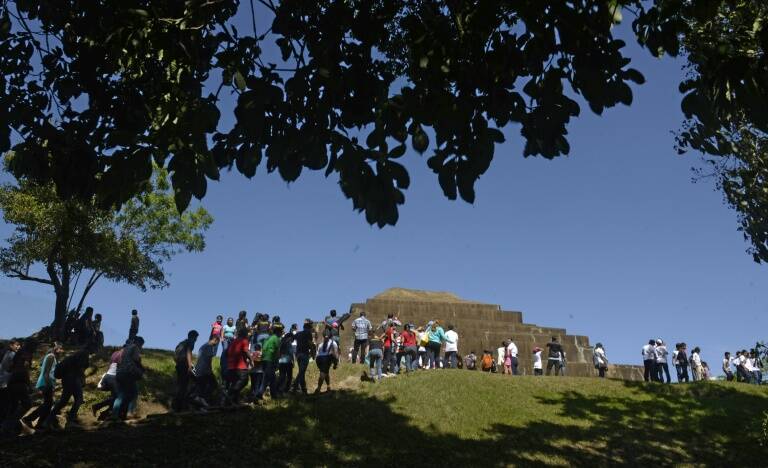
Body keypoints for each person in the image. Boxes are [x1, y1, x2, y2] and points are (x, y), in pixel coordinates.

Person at [44, 342, 96, 428]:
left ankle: (48, 421)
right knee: (79, 399)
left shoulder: (77, 354)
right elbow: (80, 368)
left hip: (67, 379)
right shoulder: (84, 354)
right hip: (73, 379)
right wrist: (82, 380)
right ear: (92, 348)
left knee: (64, 401)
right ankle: (70, 421)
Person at [1, 340, 37, 435]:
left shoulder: (18, 353)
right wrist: (29, 384)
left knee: (13, 406)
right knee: (27, 404)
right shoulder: (26, 354)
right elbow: (25, 369)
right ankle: (7, 426)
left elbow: (10, 368)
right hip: (19, 382)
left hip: (11, 382)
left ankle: (6, 428)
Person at [24, 342, 63, 428]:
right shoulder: (51, 356)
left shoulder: (52, 357)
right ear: (56, 349)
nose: (61, 351)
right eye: (60, 349)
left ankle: (40, 423)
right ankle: (29, 419)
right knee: (48, 404)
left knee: (48, 404)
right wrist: (49, 384)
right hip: (46, 383)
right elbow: (46, 372)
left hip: (48, 383)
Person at [113, 336, 145, 420]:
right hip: (128, 374)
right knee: (134, 393)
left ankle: (114, 415)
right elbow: (136, 359)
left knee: (120, 395)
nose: (142, 347)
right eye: (141, 344)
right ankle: (130, 413)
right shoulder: (135, 348)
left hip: (119, 372)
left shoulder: (124, 349)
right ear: (139, 343)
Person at [91, 345, 125, 420]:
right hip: (114, 378)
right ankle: (98, 407)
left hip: (108, 376)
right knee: (118, 398)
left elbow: (112, 364)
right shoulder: (123, 354)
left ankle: (103, 415)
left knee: (115, 398)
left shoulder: (115, 353)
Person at [173, 330, 199, 412]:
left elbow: (175, 355)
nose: (196, 339)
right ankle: (183, 405)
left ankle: (177, 406)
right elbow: (188, 352)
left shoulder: (181, 343)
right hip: (184, 365)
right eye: (196, 337)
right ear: (193, 336)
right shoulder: (190, 342)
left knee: (180, 385)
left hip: (179, 365)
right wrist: (189, 365)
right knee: (187, 384)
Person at [190, 335, 219, 407]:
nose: (216, 344)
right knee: (214, 385)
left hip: (199, 369)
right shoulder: (209, 347)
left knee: (201, 386)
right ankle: (202, 399)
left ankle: (198, 400)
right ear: (214, 340)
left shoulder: (202, 346)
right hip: (205, 370)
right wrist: (210, 370)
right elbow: (208, 360)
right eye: (217, 342)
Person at [226, 328, 252, 404]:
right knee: (244, 381)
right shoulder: (244, 340)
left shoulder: (233, 342)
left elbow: (227, 352)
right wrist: (251, 360)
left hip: (230, 367)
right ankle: (229, 395)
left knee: (235, 382)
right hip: (240, 366)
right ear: (245, 334)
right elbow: (246, 351)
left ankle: (234, 401)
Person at [255, 327, 279, 400]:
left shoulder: (268, 339)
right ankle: (259, 393)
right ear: (278, 333)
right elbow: (277, 351)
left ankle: (273, 395)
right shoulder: (276, 338)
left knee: (272, 378)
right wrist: (277, 363)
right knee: (267, 378)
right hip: (270, 359)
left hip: (264, 359)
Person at [290, 322, 314, 394]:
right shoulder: (308, 333)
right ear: (309, 328)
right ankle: (295, 386)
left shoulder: (299, 333)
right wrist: (313, 353)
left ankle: (304, 389)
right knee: (302, 371)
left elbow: (292, 338)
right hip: (304, 354)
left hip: (298, 354)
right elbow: (310, 344)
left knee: (302, 371)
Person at [0, 339, 21, 422]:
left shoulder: (7, 354)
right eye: (17, 345)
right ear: (11, 345)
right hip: (5, 382)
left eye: (19, 345)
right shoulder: (12, 354)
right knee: (9, 404)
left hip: (3, 381)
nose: (18, 347)